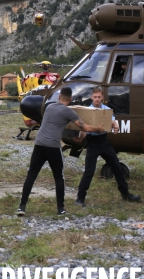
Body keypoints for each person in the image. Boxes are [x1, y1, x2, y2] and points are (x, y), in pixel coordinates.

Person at [16, 87, 104, 216]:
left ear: (59, 97)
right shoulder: (68, 112)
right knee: (59, 177)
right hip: (52, 146)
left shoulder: (49, 107)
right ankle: (60, 209)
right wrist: (98, 129)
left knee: (31, 175)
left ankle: (21, 207)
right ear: (71, 99)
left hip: (39, 144)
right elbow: (85, 127)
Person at [73, 86, 140, 207]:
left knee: (117, 168)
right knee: (89, 171)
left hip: (104, 141)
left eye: (99, 97)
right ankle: (80, 198)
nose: (97, 99)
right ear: (91, 97)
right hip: (92, 142)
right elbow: (84, 129)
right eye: (95, 97)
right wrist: (80, 138)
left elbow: (114, 121)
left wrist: (116, 126)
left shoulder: (107, 110)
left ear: (102, 97)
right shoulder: (87, 111)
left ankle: (126, 194)